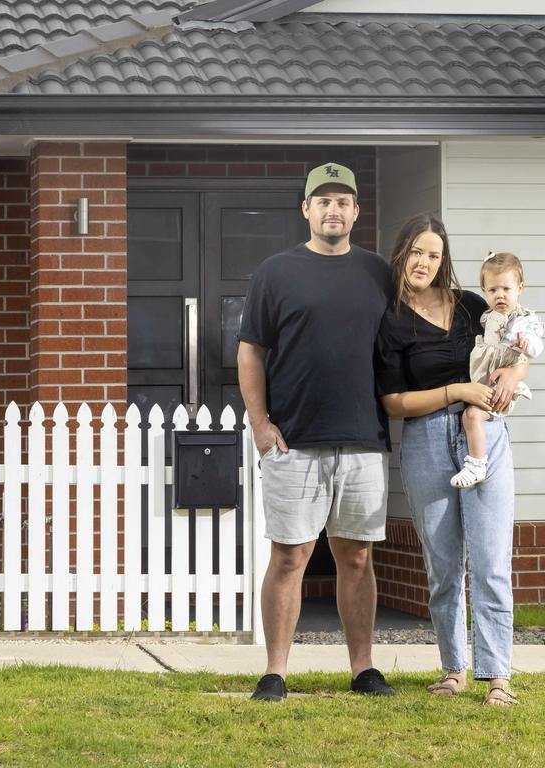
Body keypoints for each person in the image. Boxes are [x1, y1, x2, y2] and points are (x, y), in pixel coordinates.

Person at [238, 162, 395, 701]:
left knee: (356, 556)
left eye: (343, 201)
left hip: (363, 438)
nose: (333, 209)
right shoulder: (276, 271)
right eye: (322, 200)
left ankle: (363, 669)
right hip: (294, 441)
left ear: (356, 211)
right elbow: (251, 351)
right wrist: (260, 424)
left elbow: (421, 326)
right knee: (289, 556)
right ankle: (275, 672)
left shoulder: (378, 272)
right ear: (305, 209)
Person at [375, 213, 528, 706]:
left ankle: (498, 676)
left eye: (434, 254)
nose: (424, 262)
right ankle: (453, 669)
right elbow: (394, 403)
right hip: (424, 440)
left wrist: (511, 374)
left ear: (445, 260)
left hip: (484, 434)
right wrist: (456, 390)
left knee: (490, 562)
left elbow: (517, 340)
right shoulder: (391, 317)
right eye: (417, 252)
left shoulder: (471, 307)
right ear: (403, 254)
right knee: (444, 566)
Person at [450, 252, 544, 489]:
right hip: (484, 377)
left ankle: (476, 464)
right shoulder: (487, 316)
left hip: (498, 382)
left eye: (506, 289)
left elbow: (536, 345)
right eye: (492, 290)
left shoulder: (522, 319)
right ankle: (476, 462)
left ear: (519, 288)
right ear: (484, 291)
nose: (499, 295)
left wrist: (527, 345)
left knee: (471, 416)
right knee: (471, 416)